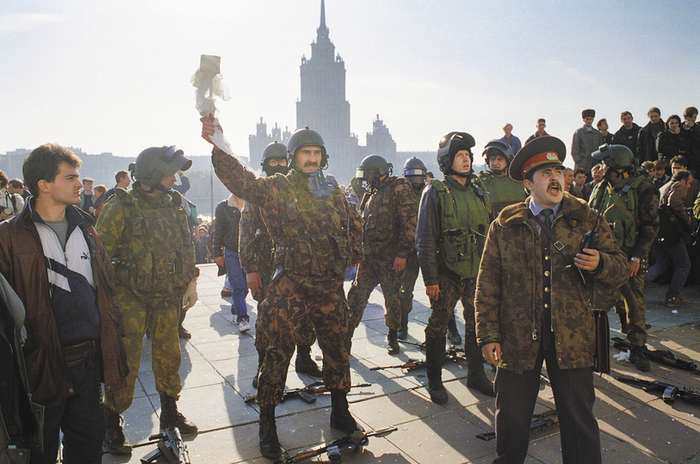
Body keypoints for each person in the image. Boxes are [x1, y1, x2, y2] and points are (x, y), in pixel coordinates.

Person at [201, 117, 363, 459]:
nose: (312, 159)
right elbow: (241, 181)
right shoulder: (278, 187)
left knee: (337, 348)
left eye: (316, 152)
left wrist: (353, 255)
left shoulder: (332, 188)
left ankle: (340, 409)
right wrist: (219, 145)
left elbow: (353, 224)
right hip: (290, 283)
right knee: (277, 353)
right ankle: (267, 425)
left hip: (328, 285)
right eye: (305, 152)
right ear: (293, 157)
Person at [475, 136, 629, 464]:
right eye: (545, 173)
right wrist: (488, 335)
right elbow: (487, 285)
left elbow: (620, 269)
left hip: (573, 338)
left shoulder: (587, 219)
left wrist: (600, 263)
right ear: (528, 183)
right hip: (517, 339)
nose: (555, 178)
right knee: (512, 420)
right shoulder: (504, 226)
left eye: (559, 170)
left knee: (578, 422)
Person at [0, 143, 128, 463]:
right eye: (70, 177)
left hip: (87, 362)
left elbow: (105, 287)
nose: (78, 184)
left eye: (78, 176)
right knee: (40, 452)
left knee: (87, 447)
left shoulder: (87, 229)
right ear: (44, 185)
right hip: (39, 367)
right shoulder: (8, 237)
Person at [97, 145, 200, 455]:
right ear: (153, 175)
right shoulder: (122, 207)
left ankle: (170, 413)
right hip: (130, 297)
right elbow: (100, 254)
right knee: (125, 361)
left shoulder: (173, 204)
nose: (175, 178)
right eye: (169, 173)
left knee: (169, 355)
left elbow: (186, 244)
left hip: (168, 295)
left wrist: (191, 279)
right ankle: (111, 422)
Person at [416, 131, 495, 403]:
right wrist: (430, 279)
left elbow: (491, 233)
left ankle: (476, 374)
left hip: (476, 274)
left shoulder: (480, 192)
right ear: (447, 160)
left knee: (476, 324)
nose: (467, 159)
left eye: (468, 155)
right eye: (460, 155)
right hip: (447, 273)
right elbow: (424, 239)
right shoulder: (435, 192)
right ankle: (434, 379)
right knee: (438, 325)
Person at [239, 141, 322, 387]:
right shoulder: (258, 194)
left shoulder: (301, 189)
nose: (278, 166)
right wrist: (250, 269)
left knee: (306, 315)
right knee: (267, 319)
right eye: (273, 162)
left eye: (282, 161)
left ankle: (305, 358)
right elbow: (245, 234)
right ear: (265, 165)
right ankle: (263, 364)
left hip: (299, 266)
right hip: (266, 267)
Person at [588, 144, 659, 372]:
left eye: (605, 163)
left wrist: (637, 257)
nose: (601, 167)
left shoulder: (644, 189)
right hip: (604, 259)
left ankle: (637, 347)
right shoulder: (601, 188)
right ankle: (594, 348)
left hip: (630, 259)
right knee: (597, 304)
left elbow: (650, 227)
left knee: (634, 302)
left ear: (617, 166)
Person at [346, 155, 417, 355]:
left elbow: (409, 224)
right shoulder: (372, 193)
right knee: (356, 296)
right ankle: (346, 337)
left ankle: (392, 335)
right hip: (369, 258)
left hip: (390, 259)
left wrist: (402, 254)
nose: (366, 180)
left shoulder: (399, 190)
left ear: (377, 173)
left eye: (368, 175)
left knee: (392, 299)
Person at [646, 169, 693, 307]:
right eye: (689, 183)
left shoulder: (664, 186)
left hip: (657, 229)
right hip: (670, 232)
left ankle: (636, 284)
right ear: (683, 180)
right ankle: (672, 297)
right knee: (684, 264)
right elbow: (676, 203)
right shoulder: (680, 185)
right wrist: (687, 218)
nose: (689, 187)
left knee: (662, 263)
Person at [397, 157, 428, 340]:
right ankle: (402, 324)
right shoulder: (400, 194)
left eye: (419, 177)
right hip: (408, 250)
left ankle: (451, 326)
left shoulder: (431, 192)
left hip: (428, 247)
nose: (416, 181)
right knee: (405, 290)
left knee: (440, 289)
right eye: (412, 176)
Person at [213, 193, 250, 331]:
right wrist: (216, 253)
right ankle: (242, 318)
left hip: (248, 251)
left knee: (245, 287)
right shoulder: (223, 207)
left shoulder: (251, 204)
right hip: (231, 251)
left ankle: (236, 310)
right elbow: (217, 230)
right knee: (237, 285)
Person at [478, 139, 528, 215]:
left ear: (508, 161)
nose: (495, 163)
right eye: (492, 159)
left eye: (499, 159)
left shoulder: (520, 181)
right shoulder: (482, 183)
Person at [572, 109, 604, 178]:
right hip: (582, 166)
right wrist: (579, 162)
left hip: (595, 166)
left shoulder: (597, 134)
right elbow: (574, 149)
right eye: (587, 119)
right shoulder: (579, 133)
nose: (589, 121)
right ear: (583, 120)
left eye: (591, 119)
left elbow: (601, 149)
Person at [683, 106, 700, 173]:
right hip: (684, 158)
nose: (693, 119)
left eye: (695, 117)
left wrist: (693, 128)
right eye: (691, 117)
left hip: (696, 158)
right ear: (685, 117)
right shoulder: (680, 128)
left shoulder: (697, 127)